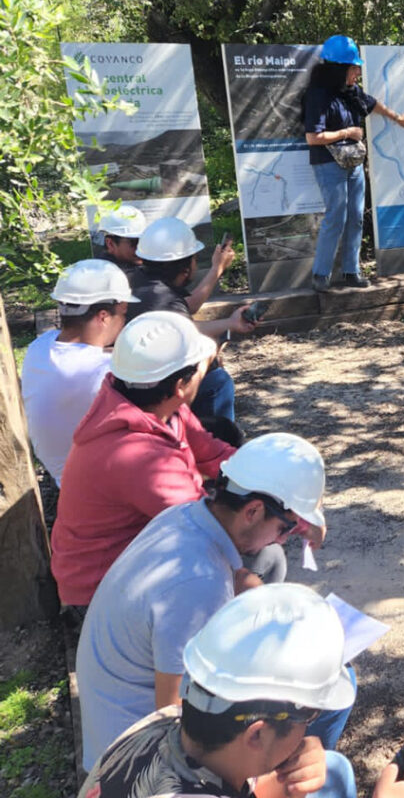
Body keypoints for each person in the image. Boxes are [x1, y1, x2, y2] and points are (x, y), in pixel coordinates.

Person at [76, 433, 334, 769]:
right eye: (285, 529)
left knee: (269, 564)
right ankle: (296, 773)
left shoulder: (185, 517)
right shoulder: (197, 586)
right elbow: (173, 717)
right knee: (322, 690)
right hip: (139, 764)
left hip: (115, 720)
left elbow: (235, 577)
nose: (283, 539)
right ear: (253, 510)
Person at [79, 583, 404, 798]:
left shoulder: (163, 722)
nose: (310, 728)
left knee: (332, 767)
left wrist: (289, 781)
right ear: (257, 733)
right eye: (309, 716)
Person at [50, 311, 233, 613]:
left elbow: (212, 453)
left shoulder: (158, 408)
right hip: (101, 589)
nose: (206, 369)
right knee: (256, 561)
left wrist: (275, 481)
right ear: (180, 386)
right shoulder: (138, 456)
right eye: (202, 366)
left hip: (135, 557)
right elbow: (206, 530)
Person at [304, 34, 404, 293]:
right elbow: (313, 137)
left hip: (353, 163)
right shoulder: (318, 95)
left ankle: (351, 271)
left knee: (356, 217)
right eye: (353, 68)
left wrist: (397, 117)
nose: (357, 72)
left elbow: (372, 103)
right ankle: (320, 275)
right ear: (338, 68)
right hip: (328, 164)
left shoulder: (350, 92)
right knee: (336, 215)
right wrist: (347, 132)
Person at [21, 260, 138, 487]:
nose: (123, 322)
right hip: (105, 486)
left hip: (65, 479)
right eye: (123, 314)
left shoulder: (39, 346)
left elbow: (83, 357)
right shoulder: (106, 373)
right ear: (103, 316)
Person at [130, 216, 256, 424]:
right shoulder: (165, 298)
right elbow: (185, 331)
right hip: (158, 388)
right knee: (217, 380)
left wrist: (230, 323)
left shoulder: (142, 283)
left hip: (136, 377)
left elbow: (184, 314)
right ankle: (218, 443)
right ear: (187, 267)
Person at [93, 205, 147, 271]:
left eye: (144, 240)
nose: (141, 248)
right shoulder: (104, 274)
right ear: (110, 244)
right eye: (135, 242)